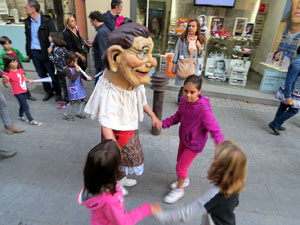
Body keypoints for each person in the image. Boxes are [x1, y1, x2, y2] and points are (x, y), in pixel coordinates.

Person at [84, 23, 161, 195]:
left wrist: (153, 116)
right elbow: (105, 122)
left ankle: (121, 178)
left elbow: (142, 101)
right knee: (115, 160)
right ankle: (114, 184)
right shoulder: (109, 89)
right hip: (115, 133)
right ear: (115, 56)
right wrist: (112, 146)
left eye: (150, 53)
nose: (153, 61)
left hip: (129, 127)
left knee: (128, 158)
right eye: (142, 52)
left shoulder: (133, 81)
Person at [160, 75, 224, 204]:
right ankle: (185, 180)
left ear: (199, 91)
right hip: (184, 138)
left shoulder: (203, 109)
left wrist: (221, 147)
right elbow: (177, 116)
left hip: (195, 143)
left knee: (181, 166)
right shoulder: (183, 101)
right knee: (180, 162)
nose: (188, 95)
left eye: (192, 92)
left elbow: (215, 129)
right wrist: (163, 124)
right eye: (185, 91)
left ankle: (179, 190)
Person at [155, 140, 247, 225]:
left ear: (221, 168)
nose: (212, 160)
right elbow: (235, 203)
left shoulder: (216, 193)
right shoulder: (234, 185)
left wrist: (162, 215)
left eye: (215, 159)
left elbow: (189, 212)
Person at [77, 140, 162, 224]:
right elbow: (123, 222)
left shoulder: (94, 181)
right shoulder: (110, 201)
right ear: (115, 169)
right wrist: (148, 209)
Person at [24, 0, 61, 102]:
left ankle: (58, 92)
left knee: (53, 74)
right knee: (42, 74)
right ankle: (49, 92)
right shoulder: (27, 22)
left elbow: (54, 35)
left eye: (26, 8)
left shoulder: (46, 21)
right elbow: (27, 38)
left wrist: (51, 48)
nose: (25, 9)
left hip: (46, 53)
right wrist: (28, 53)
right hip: (34, 52)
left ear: (33, 9)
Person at [2, 54, 42, 126]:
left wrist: (30, 80)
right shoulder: (7, 74)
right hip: (17, 93)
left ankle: (20, 116)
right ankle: (31, 120)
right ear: (8, 64)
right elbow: (7, 86)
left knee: (22, 104)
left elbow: (24, 79)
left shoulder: (20, 70)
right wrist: (4, 81)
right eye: (13, 62)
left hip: (24, 90)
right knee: (26, 106)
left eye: (16, 61)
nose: (16, 63)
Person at [172, 19, 205, 103]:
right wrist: (174, 64)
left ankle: (190, 100)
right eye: (189, 26)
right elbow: (177, 51)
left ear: (197, 28)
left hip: (193, 66)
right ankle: (181, 100)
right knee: (184, 84)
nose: (191, 28)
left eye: (193, 26)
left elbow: (201, 55)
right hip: (183, 64)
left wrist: (200, 47)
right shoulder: (182, 38)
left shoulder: (200, 40)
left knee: (192, 83)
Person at [269, 46, 300, 135]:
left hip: (293, 89)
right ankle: (275, 123)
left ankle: (277, 124)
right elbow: (290, 79)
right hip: (292, 90)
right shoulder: (298, 63)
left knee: (283, 106)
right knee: (294, 110)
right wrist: (288, 96)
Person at [0, 36, 36, 101]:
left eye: (9, 43)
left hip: (19, 70)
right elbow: (2, 65)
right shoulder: (3, 55)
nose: (8, 46)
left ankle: (28, 95)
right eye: (6, 44)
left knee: (24, 82)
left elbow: (20, 57)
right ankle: (21, 95)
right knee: (18, 84)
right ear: (2, 45)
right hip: (12, 72)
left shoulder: (15, 50)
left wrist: (26, 59)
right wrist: (8, 70)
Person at [63, 51, 92, 121]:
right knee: (72, 102)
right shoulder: (67, 69)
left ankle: (79, 112)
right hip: (73, 88)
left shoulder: (76, 67)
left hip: (79, 87)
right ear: (69, 61)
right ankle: (66, 114)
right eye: (74, 61)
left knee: (82, 100)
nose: (76, 63)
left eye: (76, 61)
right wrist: (77, 71)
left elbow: (81, 74)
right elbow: (72, 79)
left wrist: (86, 78)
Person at [48, 32, 68, 109]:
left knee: (63, 86)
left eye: (50, 36)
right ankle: (65, 99)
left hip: (61, 70)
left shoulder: (57, 50)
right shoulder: (61, 48)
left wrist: (49, 53)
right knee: (63, 85)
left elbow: (55, 61)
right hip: (64, 69)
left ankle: (65, 101)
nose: (48, 38)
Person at [88, 11, 110, 84]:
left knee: (99, 87)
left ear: (95, 20)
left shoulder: (101, 32)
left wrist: (103, 68)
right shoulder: (104, 29)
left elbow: (103, 51)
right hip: (102, 65)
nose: (91, 24)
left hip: (101, 67)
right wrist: (94, 44)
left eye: (91, 21)